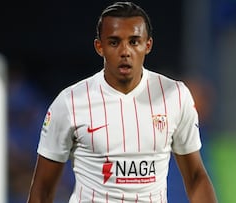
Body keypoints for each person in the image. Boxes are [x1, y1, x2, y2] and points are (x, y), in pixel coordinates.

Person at [27, 2, 217, 202]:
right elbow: (42, 188)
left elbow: (196, 177)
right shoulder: (70, 102)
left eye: (134, 42)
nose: (125, 51)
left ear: (148, 45)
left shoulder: (175, 96)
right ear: (99, 47)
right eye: (114, 42)